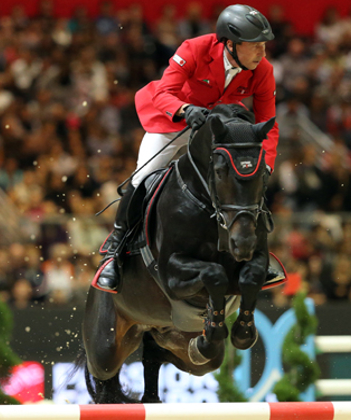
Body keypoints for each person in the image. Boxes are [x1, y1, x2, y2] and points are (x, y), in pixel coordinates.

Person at [94, 4, 279, 292]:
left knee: (246, 178)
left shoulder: (262, 70)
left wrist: (265, 164)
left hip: (217, 130)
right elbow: (165, 92)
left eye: (264, 46)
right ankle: (114, 252)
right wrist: (184, 109)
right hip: (174, 122)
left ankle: (259, 257)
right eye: (256, 47)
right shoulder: (194, 49)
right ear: (230, 44)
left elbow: (268, 121)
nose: (262, 54)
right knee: (143, 177)